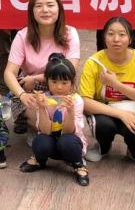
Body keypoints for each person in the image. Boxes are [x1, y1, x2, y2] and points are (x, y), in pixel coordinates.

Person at [78, 17, 135, 170]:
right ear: (104, 38)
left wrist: (116, 84)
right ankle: (103, 148)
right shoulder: (93, 62)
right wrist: (121, 114)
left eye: (122, 34)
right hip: (104, 110)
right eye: (111, 34)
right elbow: (85, 101)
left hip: (133, 110)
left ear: (130, 38)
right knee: (103, 126)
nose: (116, 39)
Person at [4, 0, 80, 139]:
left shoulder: (70, 33)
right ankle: (33, 126)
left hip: (59, 86)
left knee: (63, 118)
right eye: (38, 6)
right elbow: (9, 73)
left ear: (59, 9)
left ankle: (49, 132)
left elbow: (71, 69)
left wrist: (35, 78)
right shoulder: (22, 36)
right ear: (32, 11)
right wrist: (22, 95)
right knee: (45, 122)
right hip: (32, 90)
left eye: (50, 5)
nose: (45, 10)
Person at [18, 54, 89, 186]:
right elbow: (45, 130)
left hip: (70, 142)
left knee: (67, 141)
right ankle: (40, 160)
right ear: (47, 81)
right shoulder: (44, 98)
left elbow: (69, 131)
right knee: (40, 141)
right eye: (54, 82)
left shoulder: (76, 100)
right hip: (51, 139)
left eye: (64, 83)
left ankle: (78, 164)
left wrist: (70, 111)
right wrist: (41, 107)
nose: (59, 87)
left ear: (72, 82)